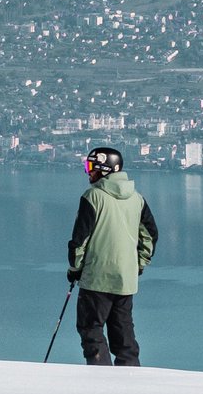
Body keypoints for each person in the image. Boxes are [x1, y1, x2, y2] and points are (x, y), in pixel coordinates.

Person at [66, 146, 158, 366]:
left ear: (104, 169)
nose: (88, 172)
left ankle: (101, 377)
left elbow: (80, 240)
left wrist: (75, 269)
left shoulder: (93, 196)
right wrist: (138, 265)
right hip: (125, 279)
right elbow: (150, 236)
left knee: (91, 328)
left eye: (90, 167)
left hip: (96, 278)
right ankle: (130, 374)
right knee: (123, 332)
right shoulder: (137, 198)